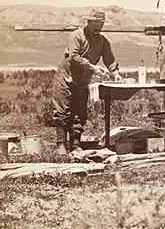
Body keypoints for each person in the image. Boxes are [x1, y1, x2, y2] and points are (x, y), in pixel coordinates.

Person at [51, 9, 122, 155]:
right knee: (62, 110)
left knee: (80, 112)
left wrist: (115, 73)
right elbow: (74, 57)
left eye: (101, 24)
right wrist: (92, 67)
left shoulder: (102, 41)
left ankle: (76, 144)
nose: (99, 27)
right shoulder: (77, 35)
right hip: (66, 77)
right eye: (96, 23)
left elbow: (109, 59)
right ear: (88, 22)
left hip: (83, 81)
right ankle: (61, 145)